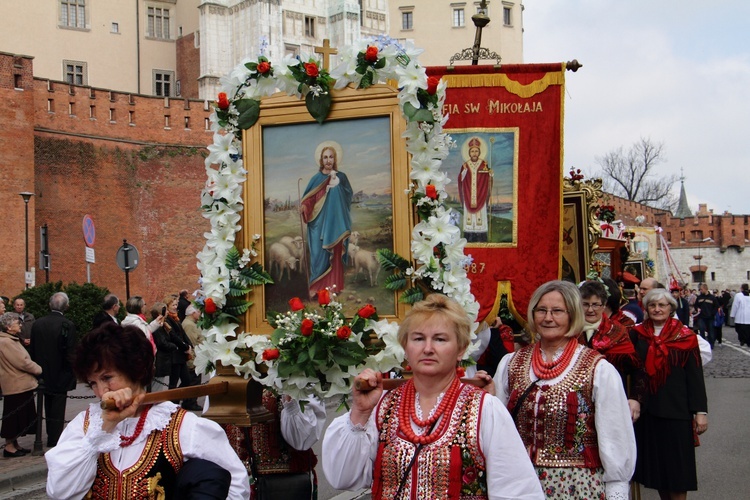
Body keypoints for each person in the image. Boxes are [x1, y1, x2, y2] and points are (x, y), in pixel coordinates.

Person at [323, 294, 544, 499]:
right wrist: (360, 412)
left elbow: (517, 492)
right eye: (418, 339)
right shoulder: (383, 406)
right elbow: (344, 478)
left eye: (440, 339)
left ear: (460, 349)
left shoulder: (485, 409)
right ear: (406, 347)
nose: (427, 348)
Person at [44, 323, 250, 498]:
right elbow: (60, 492)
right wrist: (104, 428)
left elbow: (235, 485)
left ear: (136, 370)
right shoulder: (86, 426)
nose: (101, 392)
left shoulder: (182, 425)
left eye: (107, 378)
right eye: (93, 383)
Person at [493, 280, 635, 499]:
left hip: (576, 486)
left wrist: (617, 488)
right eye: (541, 310)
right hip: (520, 483)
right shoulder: (510, 363)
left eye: (557, 311)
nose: (548, 318)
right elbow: (496, 428)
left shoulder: (598, 369)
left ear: (573, 315)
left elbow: (615, 436)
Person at [631, 288, 708, 499]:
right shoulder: (635, 335)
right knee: (657, 471)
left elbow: (695, 377)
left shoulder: (686, 337)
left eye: (662, 305)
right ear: (646, 309)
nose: (657, 309)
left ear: (671, 308)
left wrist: (700, 411)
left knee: (678, 471)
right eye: (652, 305)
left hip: (677, 412)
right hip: (647, 412)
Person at [223, 392, 326, 499]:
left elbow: (301, 441)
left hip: (283, 488)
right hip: (235, 487)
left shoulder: (296, 379)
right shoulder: (222, 377)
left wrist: (289, 396)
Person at [578, 280, 641, 421]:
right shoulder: (570, 332)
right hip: (578, 402)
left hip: (614, 398)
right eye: (585, 304)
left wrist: (635, 399)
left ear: (604, 305)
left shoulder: (619, 331)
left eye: (595, 305)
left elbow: (636, 369)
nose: (590, 310)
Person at [300, 141, 353, 300]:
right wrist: (304, 206)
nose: (328, 160)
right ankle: (316, 287)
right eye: (325, 158)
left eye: (331, 157)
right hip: (318, 222)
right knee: (318, 254)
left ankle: (332, 287)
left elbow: (348, 196)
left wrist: (336, 188)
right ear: (321, 160)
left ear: (335, 158)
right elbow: (309, 199)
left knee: (334, 254)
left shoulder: (341, 177)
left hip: (335, 223)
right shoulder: (316, 179)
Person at [29, 292, 77, 447]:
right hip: (60, 372)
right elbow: (70, 352)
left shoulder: (38, 323)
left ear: (50, 305)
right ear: (66, 306)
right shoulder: (67, 325)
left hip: (42, 371)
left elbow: (33, 349)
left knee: (47, 404)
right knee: (57, 406)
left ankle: (50, 435)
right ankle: (54, 438)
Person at [0, 312, 42, 457]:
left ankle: (14, 444)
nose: (20, 325)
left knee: (19, 417)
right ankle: (9, 446)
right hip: (15, 385)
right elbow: (22, 362)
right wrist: (38, 369)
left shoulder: (11, 340)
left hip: (19, 384)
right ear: (8, 326)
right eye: (17, 323)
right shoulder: (6, 342)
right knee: (13, 418)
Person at [163, 295, 200, 411]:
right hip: (175, 354)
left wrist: (188, 345)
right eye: (173, 305)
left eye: (176, 305)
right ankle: (172, 405)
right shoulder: (168, 319)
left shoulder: (176, 318)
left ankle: (176, 402)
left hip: (181, 354)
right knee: (173, 382)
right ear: (167, 307)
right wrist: (184, 346)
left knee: (187, 380)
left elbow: (183, 334)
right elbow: (173, 336)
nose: (176, 307)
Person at [457, 136, 493, 242]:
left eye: (476, 151)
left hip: (480, 195)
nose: (474, 153)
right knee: (469, 218)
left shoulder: (484, 164)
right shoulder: (465, 165)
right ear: (469, 153)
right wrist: (463, 172)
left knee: (480, 217)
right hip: (468, 195)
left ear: (479, 152)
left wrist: (491, 174)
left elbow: (488, 177)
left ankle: (481, 238)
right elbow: (461, 179)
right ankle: (468, 237)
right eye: (472, 151)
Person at [149, 302, 175, 392]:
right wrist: (174, 346)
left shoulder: (163, 325)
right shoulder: (157, 327)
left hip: (162, 360)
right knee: (157, 388)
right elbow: (162, 343)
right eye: (166, 310)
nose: (168, 312)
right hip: (160, 360)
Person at [694, 284, 719, 348]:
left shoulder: (712, 298)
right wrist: (697, 308)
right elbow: (696, 305)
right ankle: (703, 344)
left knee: (711, 331)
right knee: (702, 330)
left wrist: (712, 313)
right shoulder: (699, 297)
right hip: (701, 317)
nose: (700, 291)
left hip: (710, 317)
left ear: (705, 289)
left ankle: (711, 344)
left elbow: (716, 306)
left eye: (701, 289)